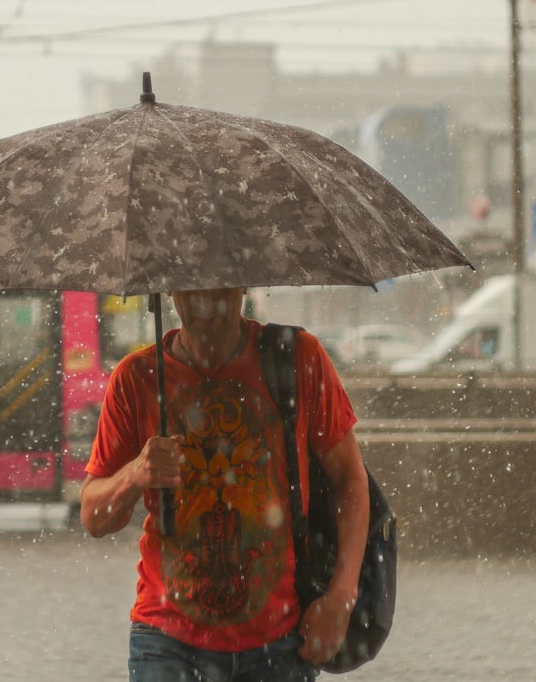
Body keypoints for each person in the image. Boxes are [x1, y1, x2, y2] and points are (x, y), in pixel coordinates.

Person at [81, 287, 370, 682]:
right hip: (166, 642)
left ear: (244, 283)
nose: (205, 297)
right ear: (166, 288)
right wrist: (136, 474)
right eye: (190, 282)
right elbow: (94, 518)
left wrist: (342, 596)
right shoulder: (137, 378)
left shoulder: (296, 359)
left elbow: (350, 479)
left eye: (220, 282)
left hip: (280, 640)